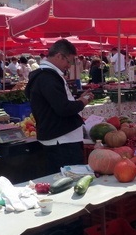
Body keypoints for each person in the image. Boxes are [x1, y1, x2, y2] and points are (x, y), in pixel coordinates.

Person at [25, 39, 94, 176]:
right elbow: (63, 108)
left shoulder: (47, 76)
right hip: (62, 142)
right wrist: (83, 102)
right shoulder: (47, 77)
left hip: (61, 140)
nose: (69, 66)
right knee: (69, 182)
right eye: (69, 61)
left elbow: (58, 103)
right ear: (59, 56)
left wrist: (78, 99)